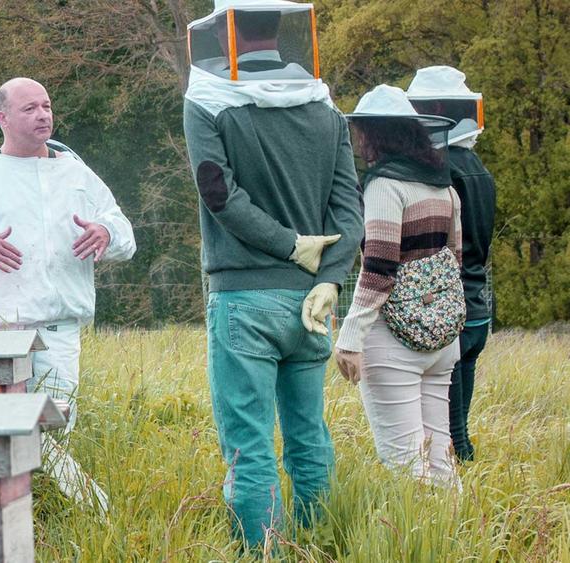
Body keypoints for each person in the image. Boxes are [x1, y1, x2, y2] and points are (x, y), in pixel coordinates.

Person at [184, 0, 364, 548]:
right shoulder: (323, 106)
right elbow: (350, 210)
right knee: (310, 436)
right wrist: (330, 276)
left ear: (221, 30)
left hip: (244, 297)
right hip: (314, 303)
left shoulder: (208, 103)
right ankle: (318, 549)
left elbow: (219, 197)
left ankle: (260, 554)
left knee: (249, 445)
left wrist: (289, 246)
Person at [0, 77, 136, 510]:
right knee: (12, 436)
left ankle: (52, 517)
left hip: (59, 331)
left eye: (46, 106)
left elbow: (124, 235)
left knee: (55, 433)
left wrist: (106, 231)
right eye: (30, 108)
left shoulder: (77, 173)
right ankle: (91, 512)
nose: (43, 115)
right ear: (3, 118)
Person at [334, 84, 463, 490]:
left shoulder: (385, 186)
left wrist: (349, 336)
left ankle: (424, 548)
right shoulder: (445, 188)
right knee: (441, 458)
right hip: (442, 340)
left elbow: (379, 267)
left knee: (406, 466)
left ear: (377, 135)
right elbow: (453, 261)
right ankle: (459, 543)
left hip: (393, 343)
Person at [407, 66, 496, 462]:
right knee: (457, 426)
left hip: (450, 310)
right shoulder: (479, 169)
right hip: (477, 308)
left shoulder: (445, 170)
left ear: (435, 110)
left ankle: (457, 510)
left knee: (451, 438)